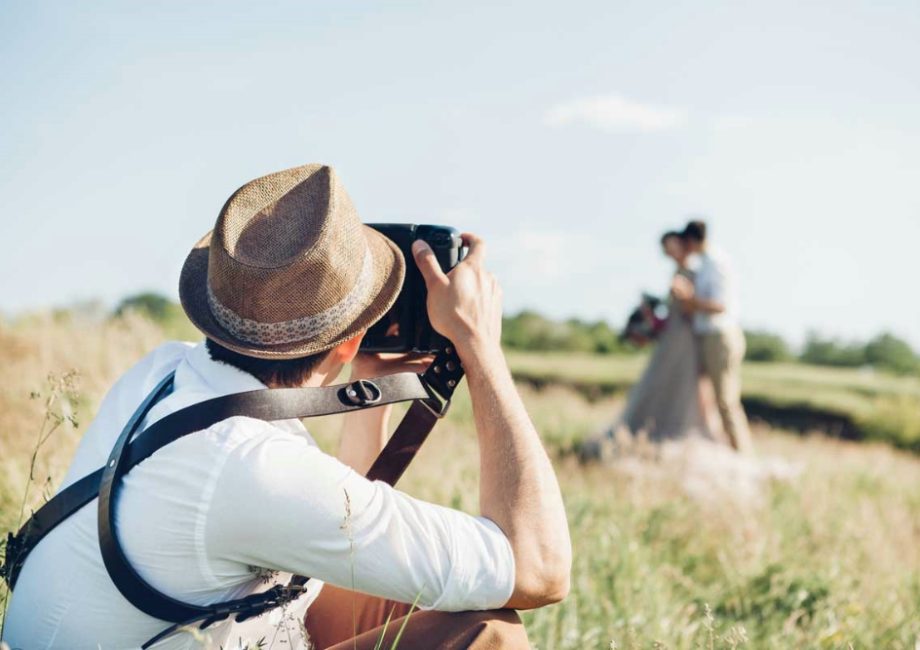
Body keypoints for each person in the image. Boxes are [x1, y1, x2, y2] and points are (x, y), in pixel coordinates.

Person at [2, 164, 571, 649]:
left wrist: (368, 384)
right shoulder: (251, 465)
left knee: (384, 591)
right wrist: (481, 351)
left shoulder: (165, 370)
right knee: (490, 631)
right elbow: (540, 570)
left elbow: (327, 521)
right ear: (348, 338)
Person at [582, 232, 719, 457]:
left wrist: (683, 300)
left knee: (683, 384)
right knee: (660, 381)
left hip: (685, 336)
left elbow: (691, 306)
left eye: (671, 246)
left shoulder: (696, 272)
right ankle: (650, 429)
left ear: (683, 244)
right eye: (666, 248)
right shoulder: (679, 272)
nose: (669, 252)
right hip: (672, 334)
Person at [672, 220, 753, 454]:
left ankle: (743, 454)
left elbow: (720, 306)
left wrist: (689, 300)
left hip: (720, 337)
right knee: (708, 400)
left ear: (690, 241)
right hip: (709, 337)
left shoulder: (717, 263)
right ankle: (726, 447)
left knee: (726, 400)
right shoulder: (704, 263)